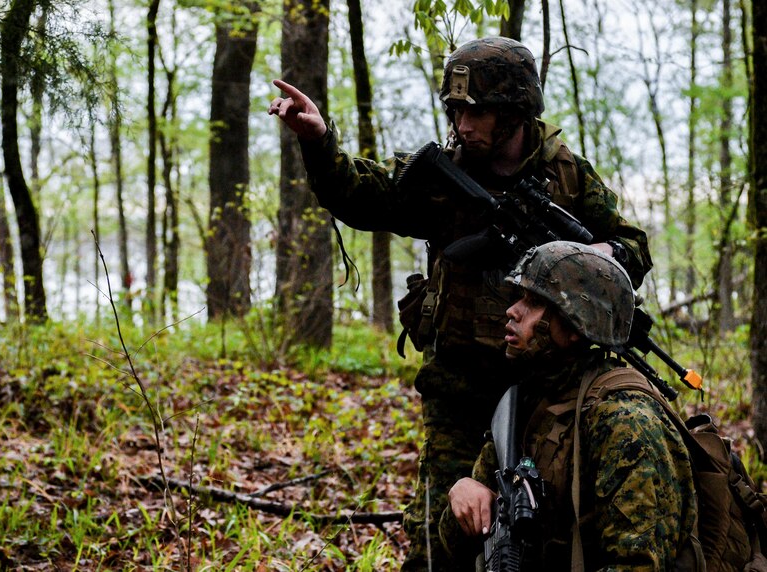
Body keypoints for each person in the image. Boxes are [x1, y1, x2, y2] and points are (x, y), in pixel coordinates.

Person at [268, 36, 653, 570]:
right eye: (455, 110)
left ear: (516, 112)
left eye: (477, 112)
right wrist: (319, 141)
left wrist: (600, 253)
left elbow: (632, 245)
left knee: (538, 533)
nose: (463, 124)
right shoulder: (441, 175)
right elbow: (364, 193)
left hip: (547, 389)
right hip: (459, 389)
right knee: (438, 540)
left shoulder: (567, 179)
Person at [439, 241, 697, 569]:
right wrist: (462, 495)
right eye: (519, 298)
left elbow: (638, 564)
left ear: (576, 324)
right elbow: (455, 548)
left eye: (533, 302)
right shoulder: (526, 404)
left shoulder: (626, 421)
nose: (512, 311)